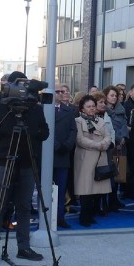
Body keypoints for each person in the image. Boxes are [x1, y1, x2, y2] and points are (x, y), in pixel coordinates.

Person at [0, 72, 49, 263]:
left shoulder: (34, 109)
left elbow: (45, 133)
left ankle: (24, 247)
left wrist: (32, 132)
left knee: (24, 207)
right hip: (5, 163)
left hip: (28, 163)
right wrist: (10, 124)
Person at [73, 95, 113, 227]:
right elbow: (80, 139)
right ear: (82, 109)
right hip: (85, 158)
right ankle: (83, 217)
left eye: (93, 106)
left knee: (97, 188)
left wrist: (104, 143)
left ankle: (91, 215)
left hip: (100, 157)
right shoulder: (78, 121)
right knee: (85, 190)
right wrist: (98, 145)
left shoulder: (100, 120)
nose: (91, 109)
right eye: (88, 106)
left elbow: (108, 136)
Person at [52, 83, 77, 228]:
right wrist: (56, 145)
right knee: (48, 189)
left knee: (61, 189)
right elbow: (45, 129)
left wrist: (67, 145)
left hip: (63, 155)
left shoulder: (68, 111)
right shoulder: (44, 109)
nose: (61, 94)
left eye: (63, 91)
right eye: (58, 91)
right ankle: (47, 217)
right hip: (49, 155)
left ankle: (60, 217)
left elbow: (73, 131)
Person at [104, 85, 128, 210]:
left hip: (121, 146)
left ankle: (114, 199)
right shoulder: (104, 111)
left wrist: (123, 137)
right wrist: (117, 139)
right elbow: (109, 127)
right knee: (108, 174)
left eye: (115, 96)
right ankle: (107, 201)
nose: (114, 98)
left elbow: (124, 125)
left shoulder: (121, 109)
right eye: (111, 95)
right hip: (110, 146)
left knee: (118, 173)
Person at [93, 91, 117, 215]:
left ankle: (103, 204)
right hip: (93, 152)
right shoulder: (90, 117)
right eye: (101, 102)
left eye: (104, 102)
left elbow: (112, 131)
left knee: (104, 177)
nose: (103, 104)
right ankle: (94, 207)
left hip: (106, 151)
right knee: (94, 179)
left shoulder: (107, 116)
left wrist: (111, 143)